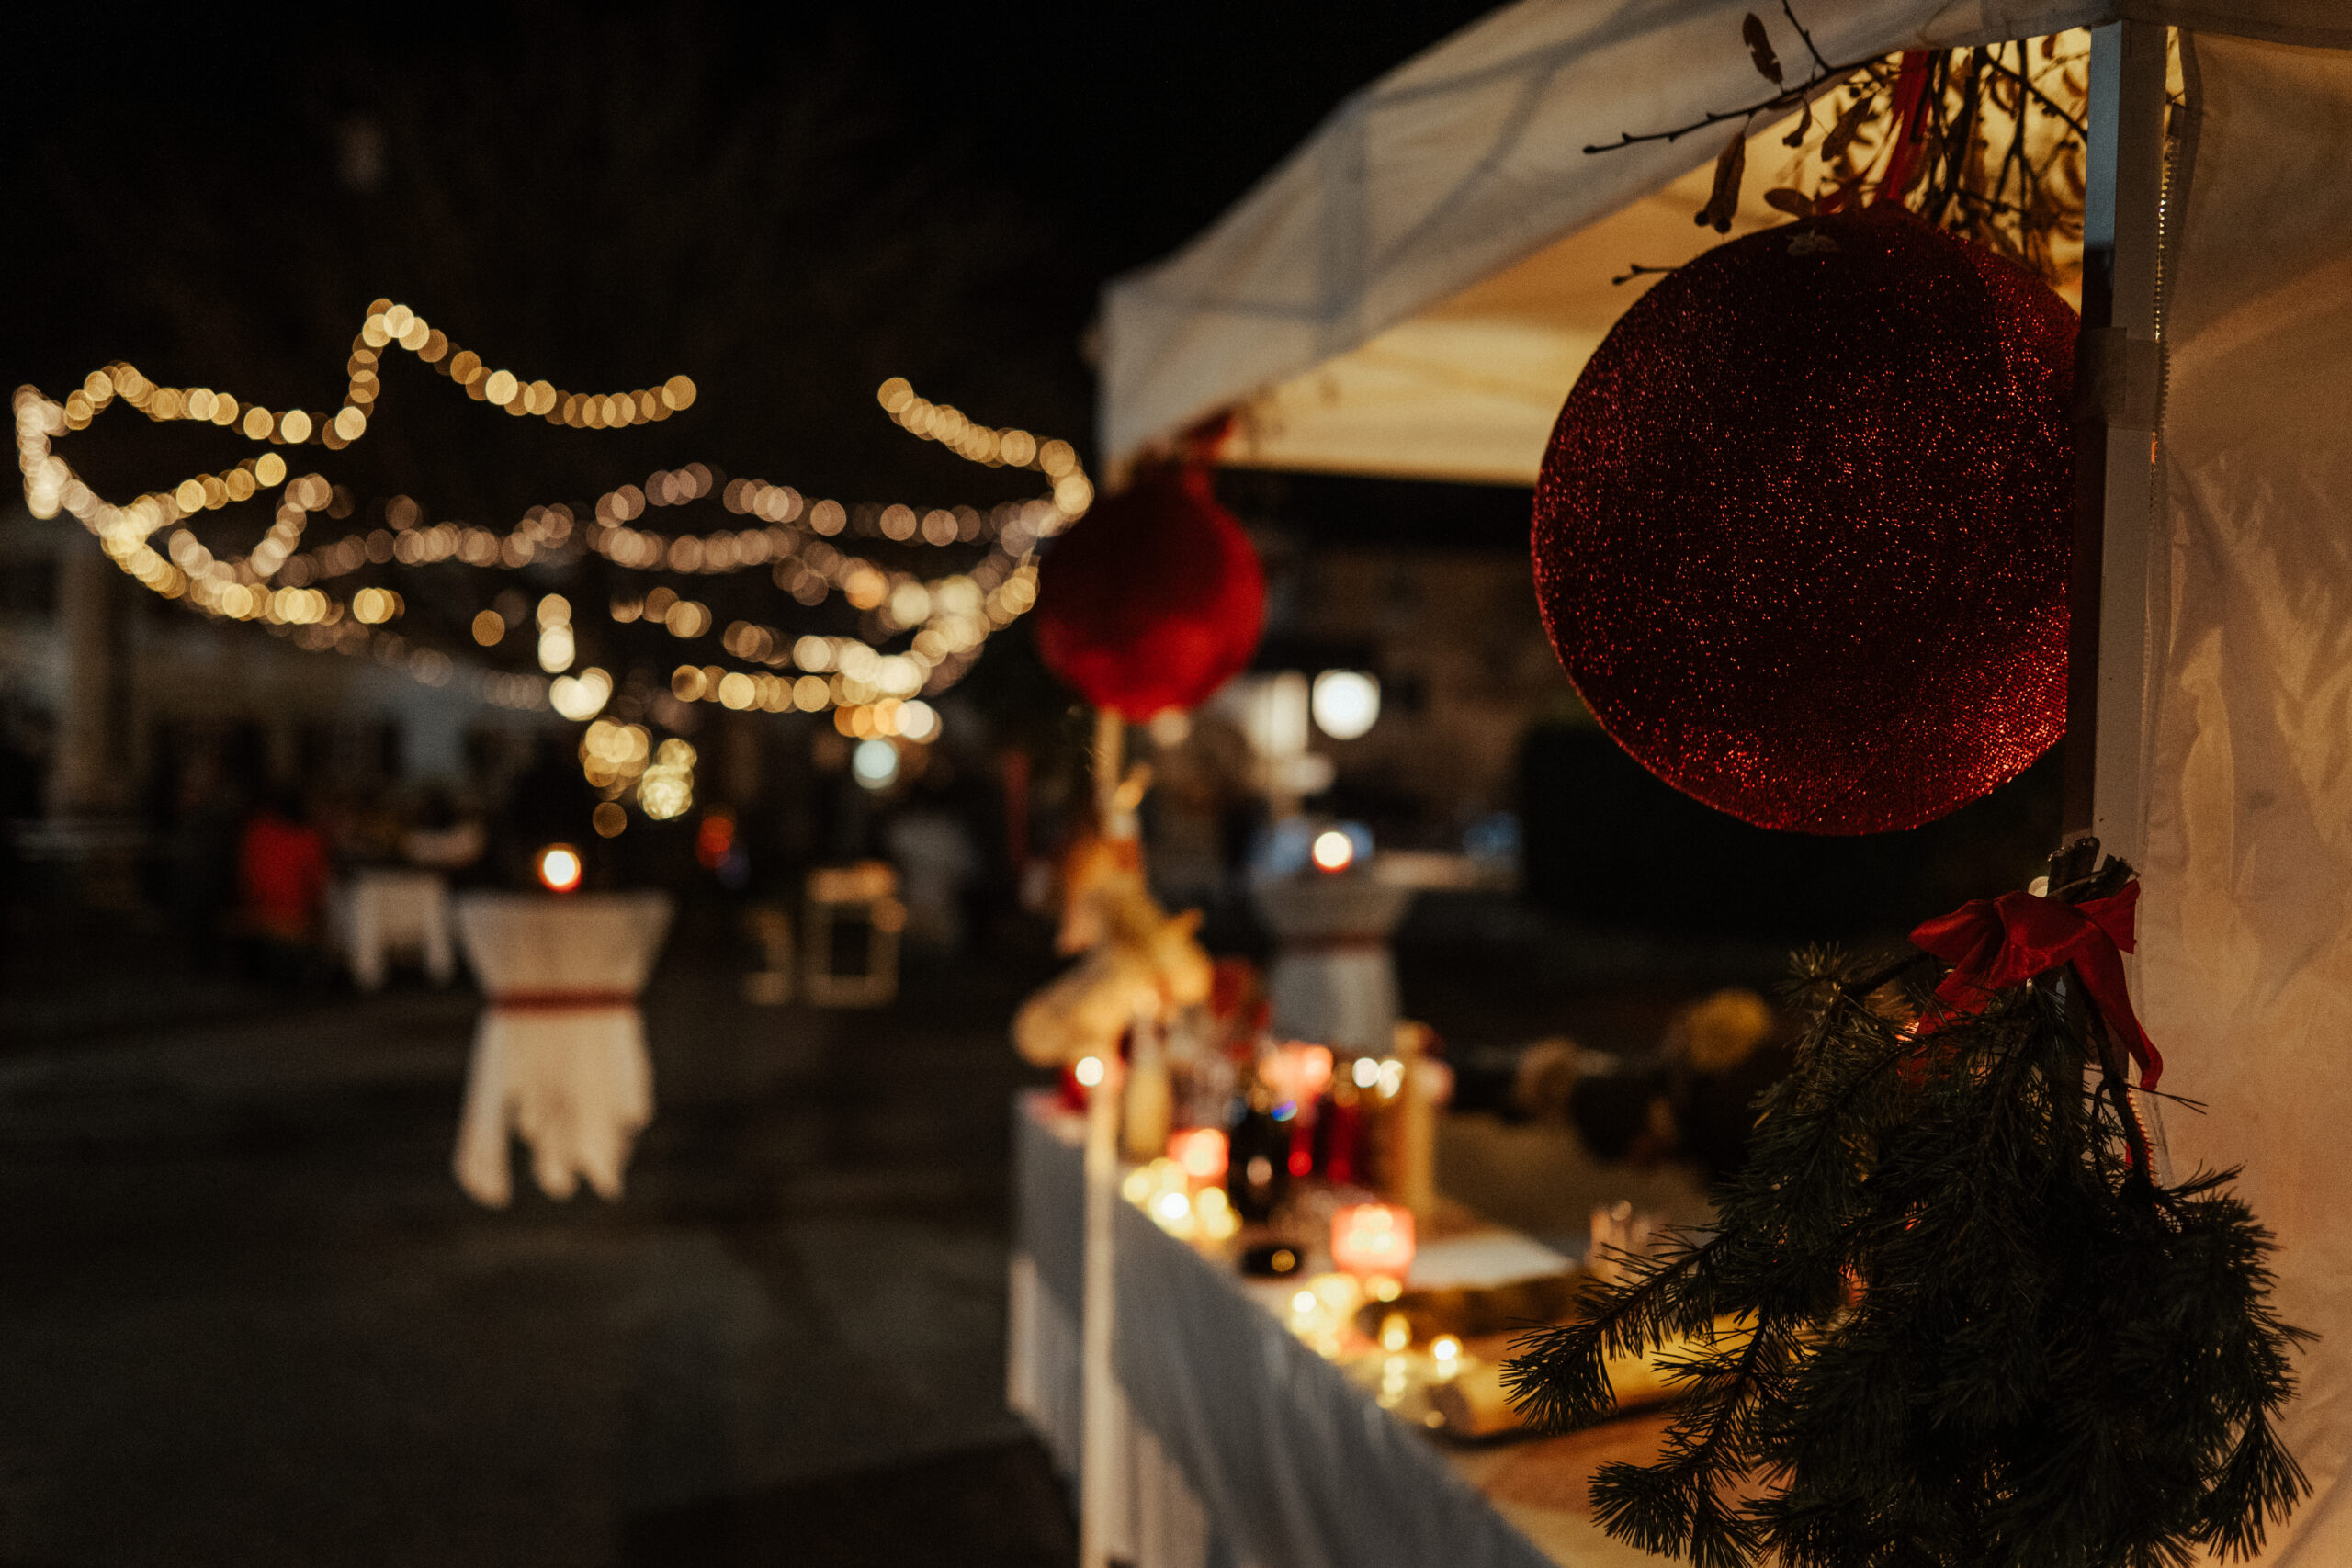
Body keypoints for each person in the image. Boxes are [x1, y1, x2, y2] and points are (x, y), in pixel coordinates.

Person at [238, 790, 329, 986]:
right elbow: (318, 883)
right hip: (290, 912)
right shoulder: (307, 838)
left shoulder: (257, 830)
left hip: (253, 905)